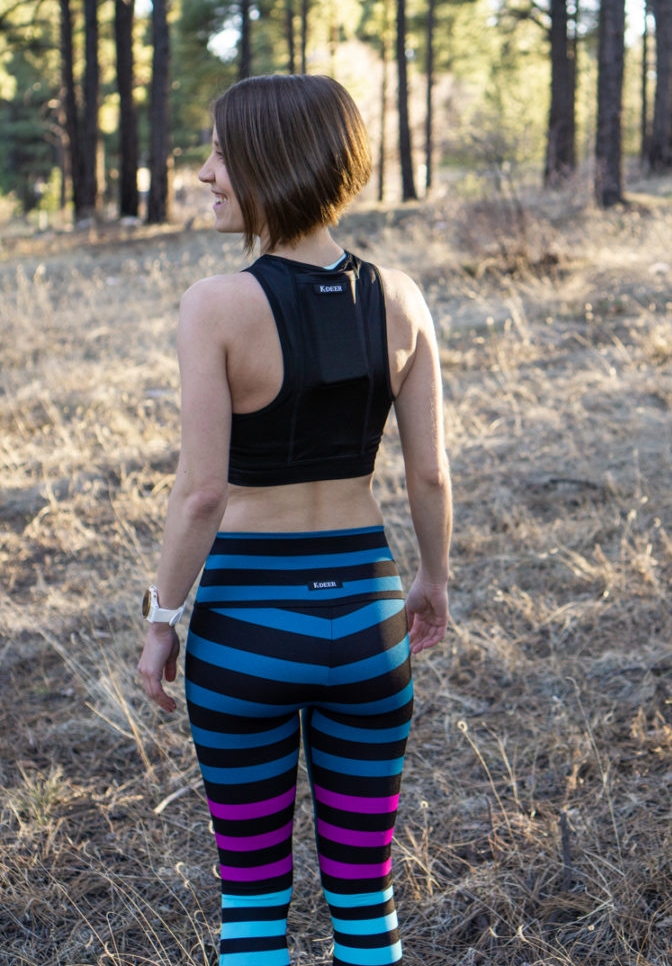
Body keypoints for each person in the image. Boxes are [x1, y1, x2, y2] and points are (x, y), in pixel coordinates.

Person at [137, 73, 452, 966]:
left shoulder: (214, 305)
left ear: (273, 164)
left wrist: (161, 620)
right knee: (364, 893)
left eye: (221, 155)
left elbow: (202, 493)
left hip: (247, 628)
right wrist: (433, 579)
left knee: (252, 899)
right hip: (369, 620)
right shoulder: (402, 298)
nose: (206, 174)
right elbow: (429, 473)